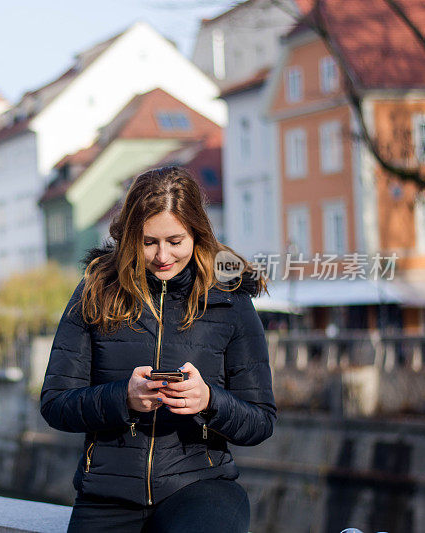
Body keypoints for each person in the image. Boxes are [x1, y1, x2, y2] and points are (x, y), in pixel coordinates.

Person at [40, 166, 276, 532]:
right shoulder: (95, 291)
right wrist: (124, 398)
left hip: (201, 487)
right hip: (108, 493)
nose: (162, 255)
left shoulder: (230, 299)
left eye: (175, 241)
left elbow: (261, 421)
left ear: (197, 234)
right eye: (149, 242)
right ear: (131, 237)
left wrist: (209, 401)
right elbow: (55, 403)